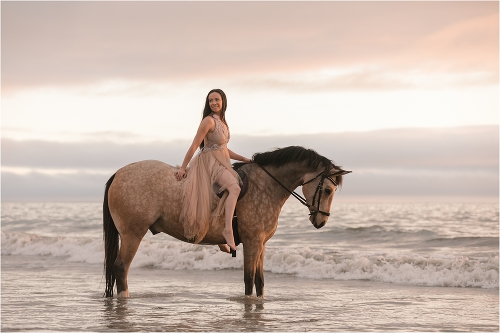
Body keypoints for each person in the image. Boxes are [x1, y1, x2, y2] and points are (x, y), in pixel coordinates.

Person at [175, 89, 251, 253]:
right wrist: (182, 167)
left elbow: (223, 149)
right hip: (208, 163)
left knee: (224, 192)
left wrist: (243, 159)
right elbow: (195, 145)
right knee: (234, 188)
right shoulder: (208, 121)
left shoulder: (222, 121)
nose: (214, 103)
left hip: (220, 160)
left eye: (217, 99)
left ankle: (218, 236)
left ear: (223, 101)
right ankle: (227, 230)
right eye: (210, 100)